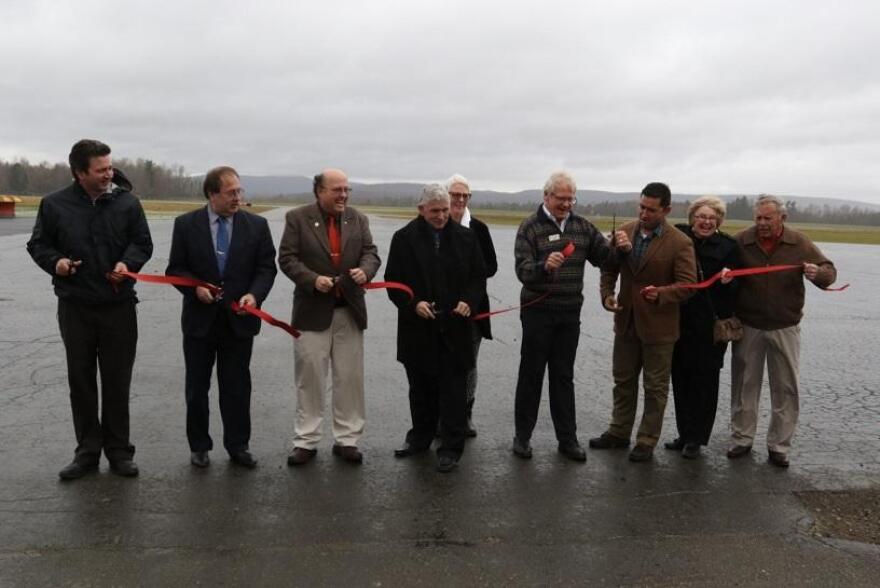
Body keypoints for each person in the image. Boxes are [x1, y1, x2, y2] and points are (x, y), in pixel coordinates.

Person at [27, 139, 153, 480]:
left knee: (117, 381)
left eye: (110, 167)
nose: (108, 174)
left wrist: (127, 263)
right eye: (100, 170)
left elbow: (142, 243)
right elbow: (38, 244)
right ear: (79, 172)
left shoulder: (127, 203)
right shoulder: (53, 205)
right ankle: (86, 451)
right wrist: (58, 263)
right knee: (80, 382)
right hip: (76, 307)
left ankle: (118, 451)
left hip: (118, 306)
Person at [512, 171, 628, 462]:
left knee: (563, 377)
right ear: (546, 196)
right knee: (531, 375)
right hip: (537, 313)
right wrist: (543, 265)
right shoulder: (530, 227)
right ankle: (522, 438)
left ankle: (567, 440)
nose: (566, 204)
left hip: (569, 314)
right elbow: (522, 270)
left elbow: (605, 259)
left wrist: (620, 248)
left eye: (570, 199)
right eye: (561, 198)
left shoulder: (582, 227)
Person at [166, 166, 277, 469]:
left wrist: (254, 295)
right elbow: (175, 270)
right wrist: (195, 289)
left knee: (237, 387)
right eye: (231, 192)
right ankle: (199, 446)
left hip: (239, 321)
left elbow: (266, 268)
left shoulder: (257, 226)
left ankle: (238, 445)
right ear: (212, 194)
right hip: (199, 322)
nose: (237, 197)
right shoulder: (186, 225)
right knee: (197, 388)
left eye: (239, 191)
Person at [278, 169, 380, 466]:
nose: (344, 195)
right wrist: (312, 280)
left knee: (349, 377)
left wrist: (366, 270)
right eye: (337, 190)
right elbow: (287, 258)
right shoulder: (297, 218)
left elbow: (371, 253)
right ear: (319, 191)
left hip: (349, 310)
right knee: (309, 378)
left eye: (347, 189)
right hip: (312, 311)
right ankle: (306, 441)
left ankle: (347, 440)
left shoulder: (357, 218)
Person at [590, 182, 697, 462]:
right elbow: (609, 267)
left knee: (655, 387)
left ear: (667, 210)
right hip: (626, 321)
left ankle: (647, 440)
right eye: (641, 207)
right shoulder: (624, 231)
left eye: (651, 209)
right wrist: (606, 295)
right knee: (623, 381)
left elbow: (688, 285)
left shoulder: (680, 242)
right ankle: (619, 432)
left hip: (660, 328)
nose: (644, 213)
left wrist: (661, 294)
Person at [728, 195, 836, 468]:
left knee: (785, 388)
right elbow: (722, 267)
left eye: (768, 218)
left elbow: (829, 271)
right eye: (758, 218)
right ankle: (742, 439)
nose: (762, 223)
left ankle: (779, 446)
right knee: (744, 386)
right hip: (749, 325)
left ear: (782, 219)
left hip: (785, 327)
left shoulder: (798, 242)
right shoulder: (742, 240)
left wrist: (817, 273)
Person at [385, 184, 486, 472]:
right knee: (420, 389)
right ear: (421, 209)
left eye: (445, 210)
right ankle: (419, 438)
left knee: (453, 391)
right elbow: (393, 281)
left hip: (455, 328)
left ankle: (451, 448)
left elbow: (478, 278)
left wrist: (469, 301)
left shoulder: (466, 238)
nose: (442, 216)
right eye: (435, 211)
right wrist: (413, 303)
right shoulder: (403, 238)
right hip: (418, 328)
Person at [665, 196, 739, 459]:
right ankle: (684, 433)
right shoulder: (678, 235)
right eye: (701, 216)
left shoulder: (729, 247)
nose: (706, 222)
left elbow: (740, 287)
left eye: (712, 218)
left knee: (705, 382)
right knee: (680, 377)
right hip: (679, 319)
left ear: (718, 221)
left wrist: (729, 281)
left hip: (710, 325)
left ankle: (697, 438)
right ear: (692, 218)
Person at [446, 173, 498, 436]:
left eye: (465, 195)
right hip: (442, 308)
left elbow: (491, 267)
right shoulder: (436, 225)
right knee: (440, 362)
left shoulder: (479, 229)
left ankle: (465, 414)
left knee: (468, 364)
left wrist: (465, 276)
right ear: (446, 196)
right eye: (455, 194)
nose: (460, 199)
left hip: (473, 307)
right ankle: (440, 416)